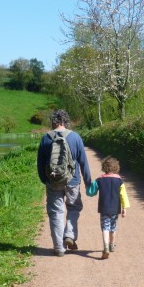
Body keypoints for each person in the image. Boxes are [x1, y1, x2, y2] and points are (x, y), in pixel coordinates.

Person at [37, 109, 91, 257]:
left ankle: (59, 248)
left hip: (53, 180)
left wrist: (44, 179)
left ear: (53, 121)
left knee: (56, 212)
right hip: (72, 180)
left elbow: (40, 163)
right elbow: (83, 162)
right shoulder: (75, 137)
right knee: (73, 208)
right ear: (65, 121)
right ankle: (69, 235)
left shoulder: (46, 138)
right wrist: (88, 182)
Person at [86, 156, 130, 259]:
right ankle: (112, 245)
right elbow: (123, 195)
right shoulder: (120, 181)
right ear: (116, 168)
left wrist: (88, 186)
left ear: (104, 168)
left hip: (104, 209)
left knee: (105, 227)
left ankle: (105, 246)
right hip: (115, 209)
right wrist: (124, 208)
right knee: (113, 227)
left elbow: (90, 192)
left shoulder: (99, 180)